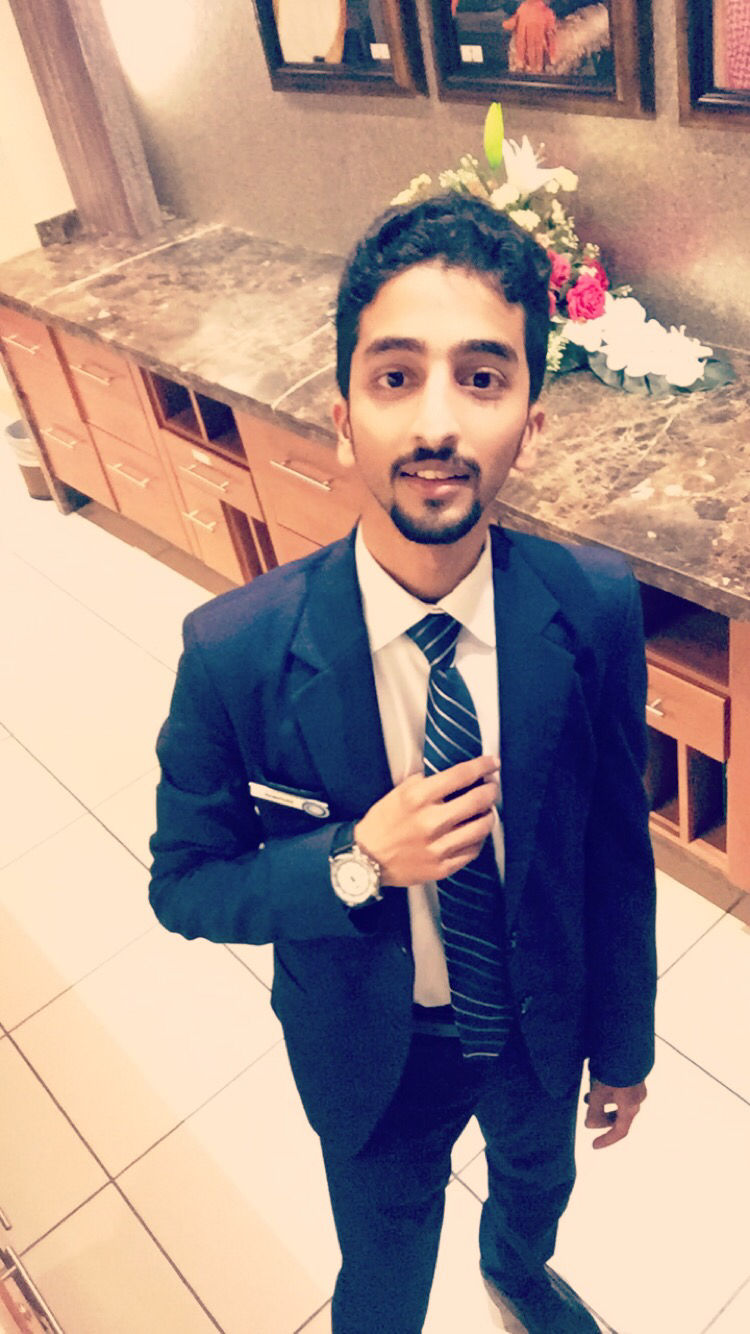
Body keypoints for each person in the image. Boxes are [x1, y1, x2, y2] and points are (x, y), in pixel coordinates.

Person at [149, 193, 657, 1334]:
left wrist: (624, 1044)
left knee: (535, 1192)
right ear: (343, 420)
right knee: (381, 1273)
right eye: (395, 377)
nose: (437, 422)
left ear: (531, 423)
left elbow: (617, 851)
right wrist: (354, 861)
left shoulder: (594, 607)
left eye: (481, 377)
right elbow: (183, 885)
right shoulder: (235, 652)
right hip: (374, 1047)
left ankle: (518, 1274)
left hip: (539, 1024)